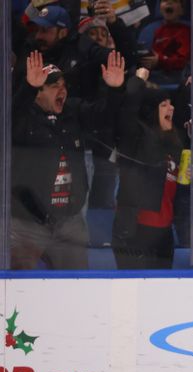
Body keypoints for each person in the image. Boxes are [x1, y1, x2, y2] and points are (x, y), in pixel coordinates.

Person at [11, 50, 125, 270]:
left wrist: (114, 90)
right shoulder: (21, 118)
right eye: (54, 86)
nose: (61, 90)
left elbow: (102, 116)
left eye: (63, 85)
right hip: (26, 222)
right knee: (18, 289)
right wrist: (28, 87)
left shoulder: (72, 111)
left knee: (77, 286)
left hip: (69, 221)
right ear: (38, 92)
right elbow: (10, 117)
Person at [112, 68, 183, 269]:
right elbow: (127, 110)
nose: (171, 109)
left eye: (171, 104)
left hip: (165, 232)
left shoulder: (173, 141)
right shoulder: (135, 139)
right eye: (164, 105)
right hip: (135, 230)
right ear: (151, 111)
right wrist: (138, 80)